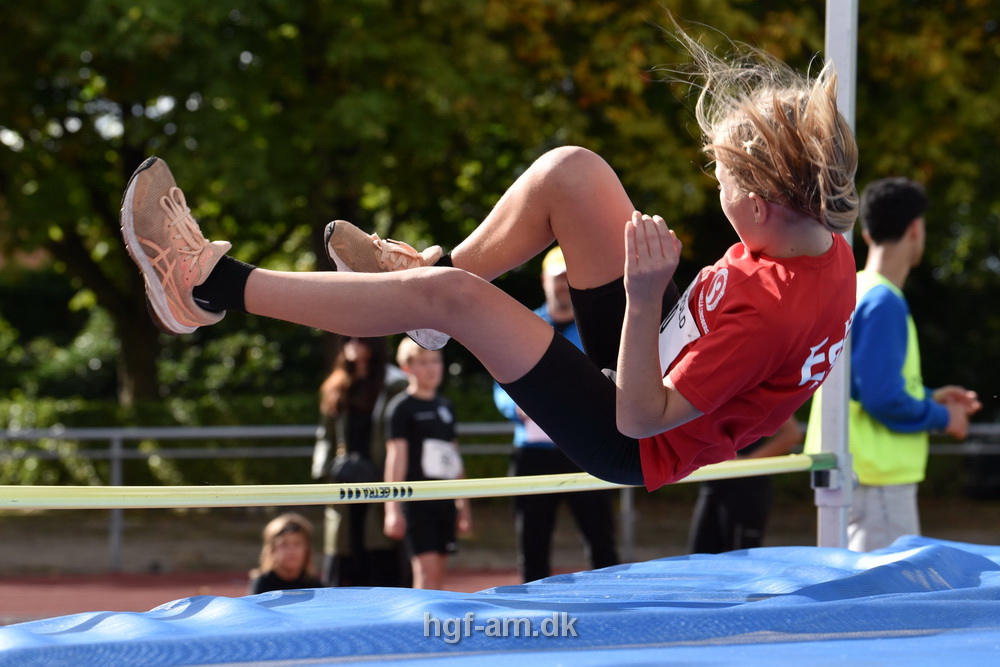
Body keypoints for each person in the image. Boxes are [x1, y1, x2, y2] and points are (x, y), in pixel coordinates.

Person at [119, 24, 859, 496]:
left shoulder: (770, 314)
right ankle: (417, 282)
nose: (714, 187)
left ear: (763, 205)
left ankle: (207, 285)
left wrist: (641, 297)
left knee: (450, 297)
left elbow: (640, 418)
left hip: (632, 427)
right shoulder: (813, 238)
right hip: (662, 347)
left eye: (722, 180)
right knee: (573, 172)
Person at [805, 177, 981, 552]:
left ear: (867, 233)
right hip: (876, 481)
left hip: (848, 473)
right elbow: (882, 398)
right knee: (883, 589)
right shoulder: (885, 301)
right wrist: (944, 417)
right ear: (916, 229)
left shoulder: (855, 289)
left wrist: (930, 396)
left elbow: (862, 386)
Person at [494, 246, 619, 581]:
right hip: (533, 452)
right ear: (543, 281)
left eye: (568, 278)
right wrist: (514, 406)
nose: (563, 285)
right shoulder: (523, 324)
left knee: (600, 538)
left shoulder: (593, 327)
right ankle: (533, 608)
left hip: (587, 449)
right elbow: (499, 382)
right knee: (532, 542)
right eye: (557, 278)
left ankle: (615, 601)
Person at [312, 336, 410, 587]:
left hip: (381, 478)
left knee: (380, 552)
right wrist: (326, 471)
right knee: (345, 548)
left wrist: (388, 473)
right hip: (345, 480)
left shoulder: (394, 384)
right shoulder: (336, 385)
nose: (353, 344)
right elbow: (326, 435)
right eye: (347, 339)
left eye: (360, 339)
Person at [383, 338, 471, 589]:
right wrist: (392, 509)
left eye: (435, 361)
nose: (431, 368)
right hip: (417, 501)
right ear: (407, 368)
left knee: (439, 576)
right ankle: (420, 616)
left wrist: (463, 506)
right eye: (423, 363)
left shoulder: (445, 406)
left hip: (445, 500)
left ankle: (435, 617)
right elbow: (396, 458)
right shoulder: (400, 408)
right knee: (425, 575)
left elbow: (453, 456)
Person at [687, 415, 802, 554]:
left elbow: (792, 434)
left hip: (745, 487)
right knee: (701, 556)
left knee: (739, 557)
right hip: (712, 483)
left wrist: (747, 462)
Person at [247, 512, 323, 594]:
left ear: (307, 549)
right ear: (272, 550)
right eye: (284, 544)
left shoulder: (315, 586)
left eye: (297, 544)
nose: (291, 551)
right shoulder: (262, 584)